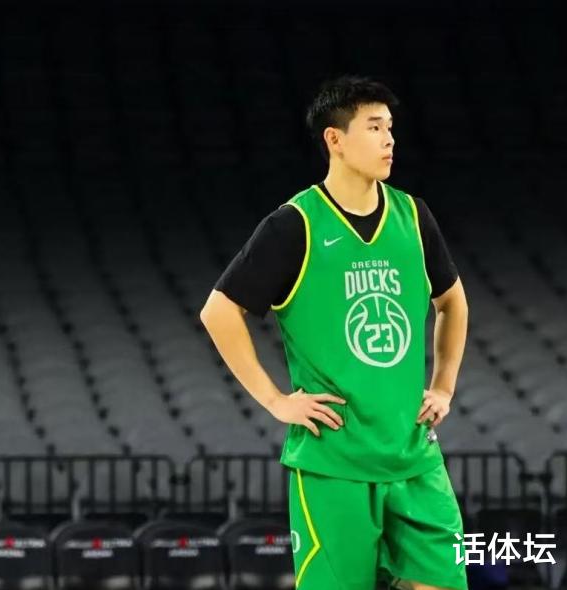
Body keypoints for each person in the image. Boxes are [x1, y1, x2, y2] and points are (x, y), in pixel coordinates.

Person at [200, 75, 469, 590]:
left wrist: (444, 385)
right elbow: (219, 311)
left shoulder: (413, 215)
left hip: (414, 456)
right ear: (335, 139)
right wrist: (276, 401)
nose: (389, 139)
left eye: (390, 127)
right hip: (334, 463)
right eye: (374, 127)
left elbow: (452, 302)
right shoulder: (294, 224)